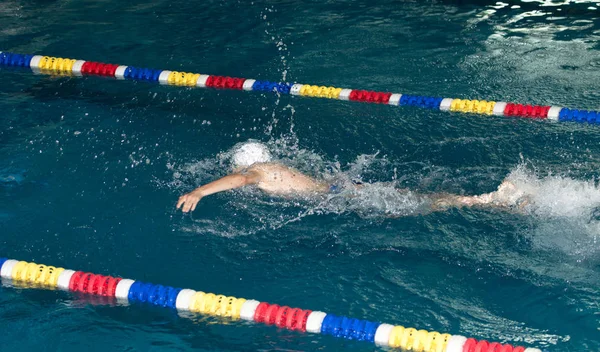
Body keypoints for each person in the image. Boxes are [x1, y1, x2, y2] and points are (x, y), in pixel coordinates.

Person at [176, 142, 527, 213]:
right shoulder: (274, 166)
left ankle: (493, 203)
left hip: (340, 197)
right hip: (339, 187)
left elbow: (239, 181)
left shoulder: (256, 173)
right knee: (415, 196)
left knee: (422, 207)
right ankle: (489, 199)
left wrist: (199, 191)